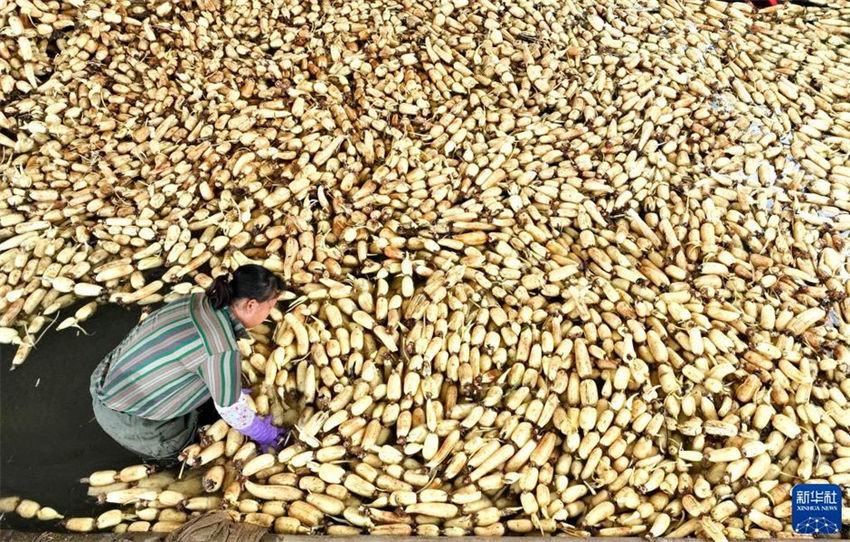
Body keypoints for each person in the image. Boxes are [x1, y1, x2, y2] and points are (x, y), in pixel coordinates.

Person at [89, 264, 287, 461]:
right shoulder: (222, 350)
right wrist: (265, 434)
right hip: (134, 425)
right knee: (185, 451)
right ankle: (162, 460)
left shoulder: (197, 300)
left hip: (105, 382)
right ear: (251, 305)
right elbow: (232, 411)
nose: (269, 314)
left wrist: (228, 386)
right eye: (270, 307)